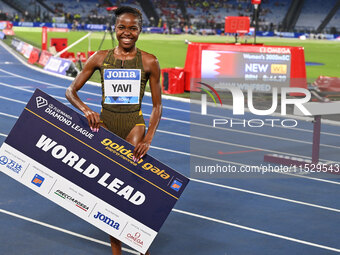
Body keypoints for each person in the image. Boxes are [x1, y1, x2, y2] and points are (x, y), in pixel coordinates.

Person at [65, 6, 162, 255]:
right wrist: (87, 111)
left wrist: (149, 137)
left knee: (131, 189)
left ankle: (142, 246)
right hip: (106, 125)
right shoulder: (99, 57)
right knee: (111, 193)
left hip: (134, 126)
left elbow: (157, 105)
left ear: (140, 30)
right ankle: (116, 250)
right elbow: (70, 91)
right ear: (114, 29)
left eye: (133, 28)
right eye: (122, 27)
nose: (127, 33)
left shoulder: (150, 61)